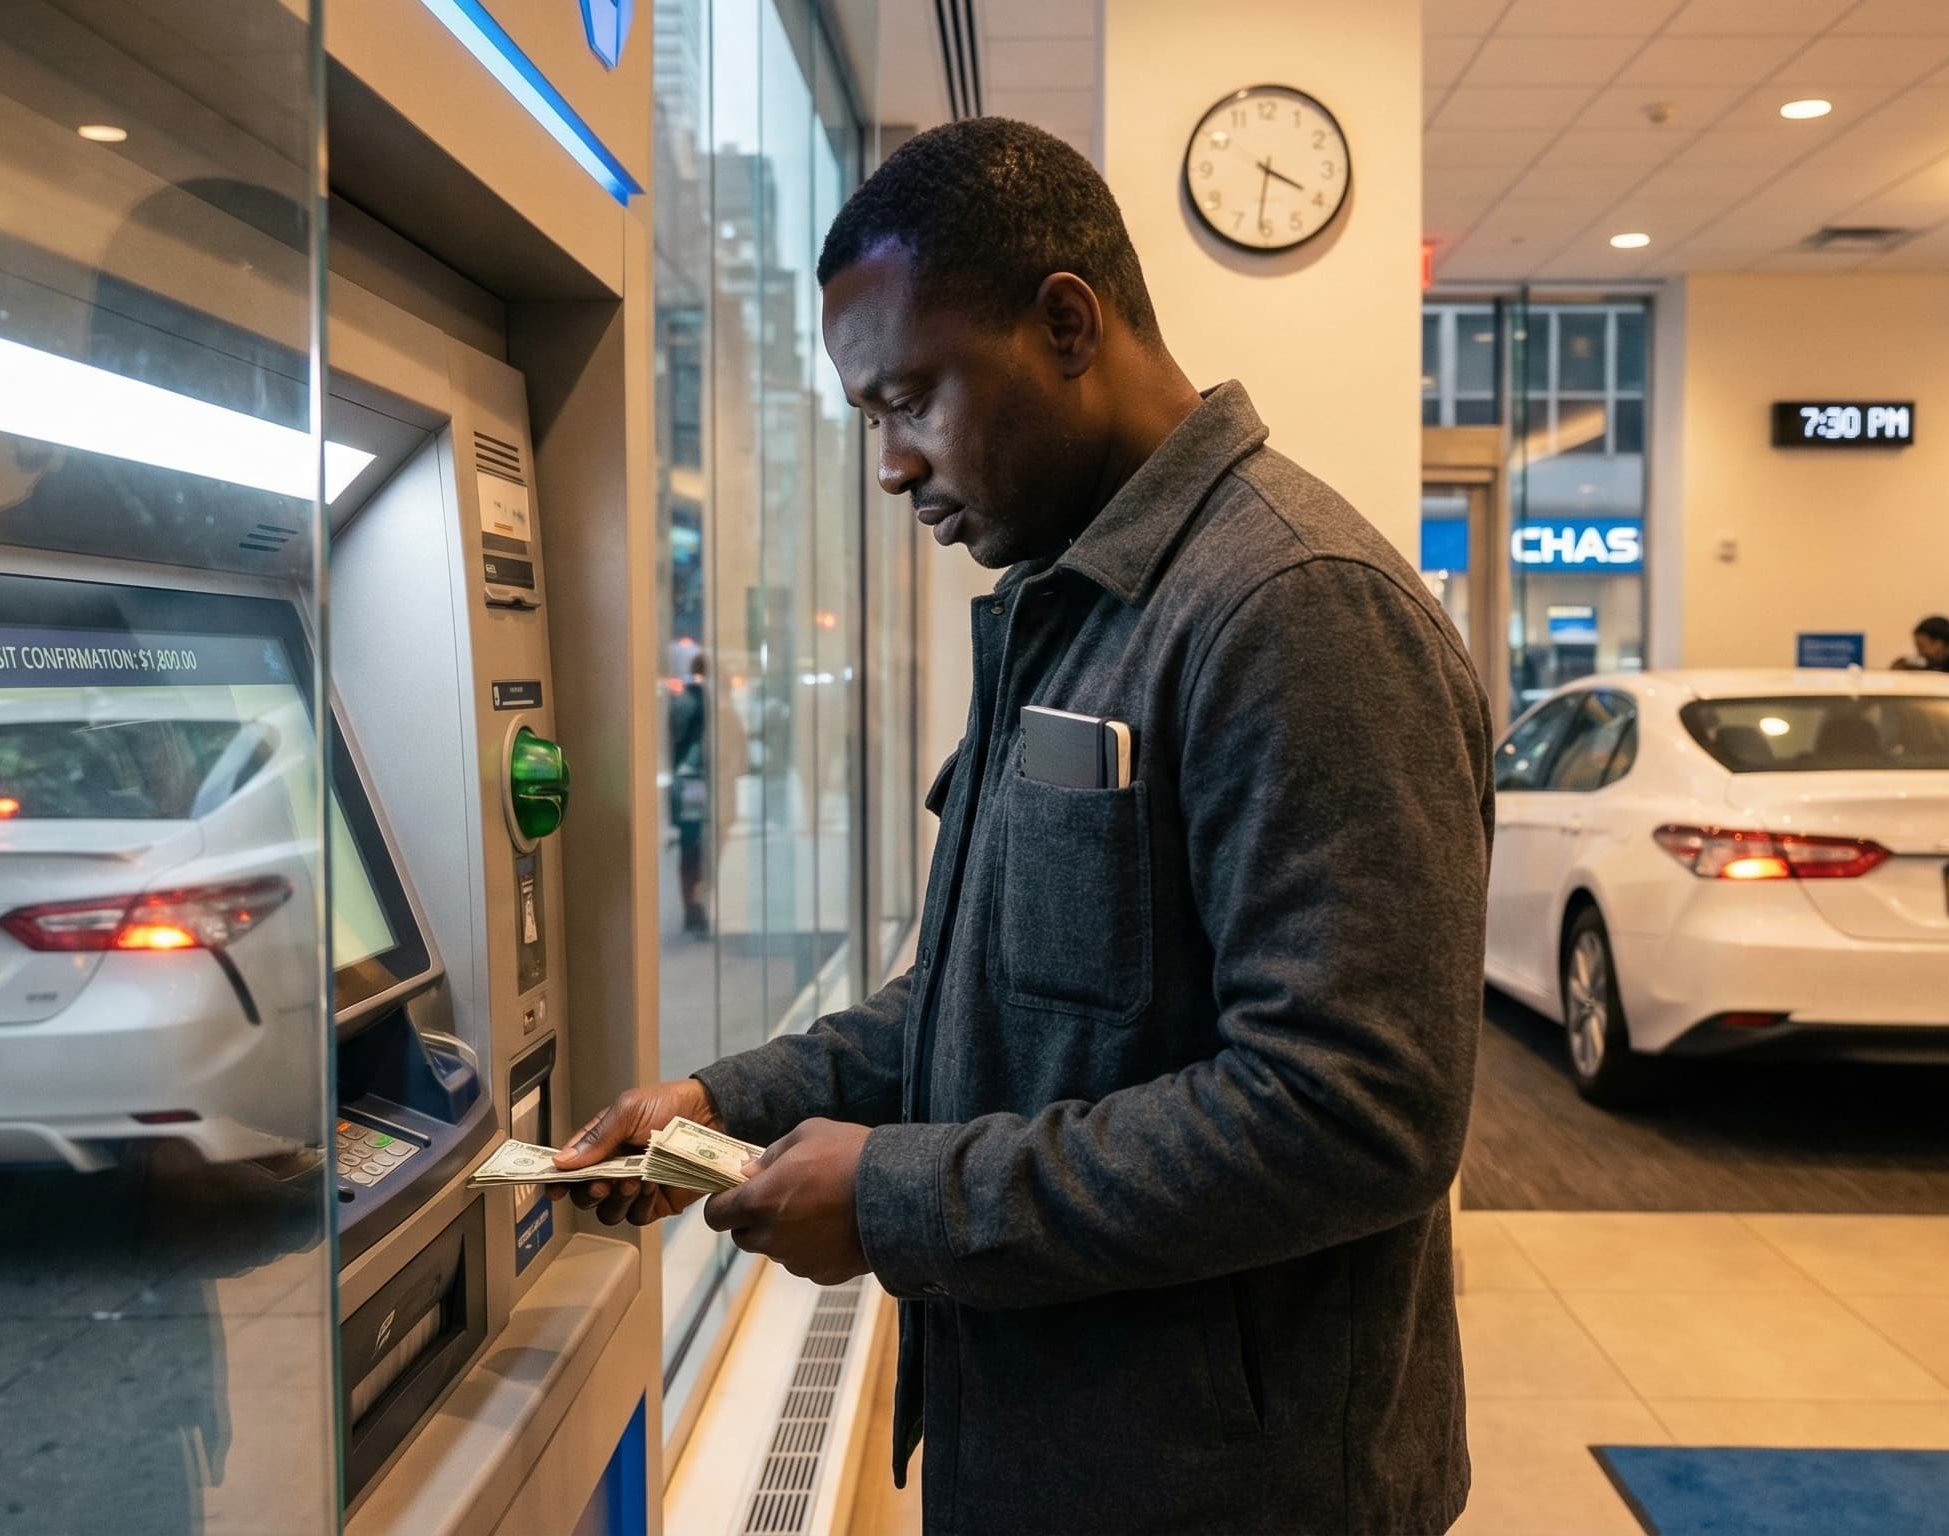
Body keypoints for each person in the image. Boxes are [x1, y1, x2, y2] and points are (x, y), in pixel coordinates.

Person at [555, 118, 1492, 1535]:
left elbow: (1356, 1111)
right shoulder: (1078, 609)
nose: (889, 466)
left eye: (911, 401)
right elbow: (986, 996)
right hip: (1064, 1453)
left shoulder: (1294, 607)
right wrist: (725, 1105)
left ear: (1066, 323)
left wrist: (906, 1201)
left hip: (1234, 1495)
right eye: (870, 418)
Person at [669, 652, 710, 938]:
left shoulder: (683, 703)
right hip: (697, 785)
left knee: (690, 850)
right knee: (697, 851)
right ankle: (696, 908)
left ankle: (694, 909)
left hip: (686, 786)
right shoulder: (708, 706)